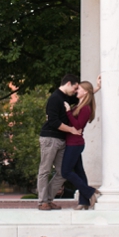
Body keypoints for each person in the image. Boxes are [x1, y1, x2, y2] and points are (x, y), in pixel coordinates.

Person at [37, 74, 82, 210]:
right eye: (75, 88)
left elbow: (84, 96)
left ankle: (48, 199)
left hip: (61, 139)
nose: (76, 91)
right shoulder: (55, 98)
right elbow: (53, 121)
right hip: (50, 138)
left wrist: (97, 87)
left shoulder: (66, 97)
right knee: (45, 170)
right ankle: (42, 202)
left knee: (63, 172)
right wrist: (71, 130)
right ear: (68, 83)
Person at [62, 79, 102, 210]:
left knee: (66, 171)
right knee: (79, 173)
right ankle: (84, 202)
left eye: (78, 88)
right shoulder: (80, 105)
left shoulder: (85, 108)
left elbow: (78, 125)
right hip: (73, 143)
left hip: (75, 144)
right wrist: (97, 87)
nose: (76, 90)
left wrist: (68, 111)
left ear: (84, 92)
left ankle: (90, 192)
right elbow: (90, 92)